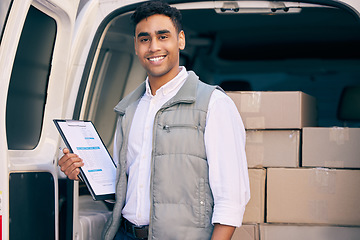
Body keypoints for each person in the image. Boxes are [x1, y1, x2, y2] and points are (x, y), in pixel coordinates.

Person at [58, 1, 250, 239]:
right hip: (125, 234)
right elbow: (124, 185)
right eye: (144, 39)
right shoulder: (129, 109)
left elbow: (231, 199)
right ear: (136, 46)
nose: (153, 47)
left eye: (162, 36)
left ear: (180, 40)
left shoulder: (214, 104)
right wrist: (81, 170)